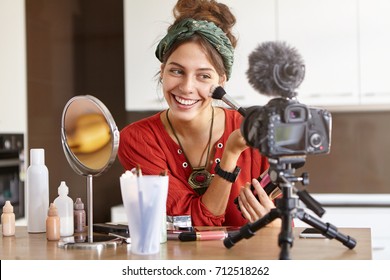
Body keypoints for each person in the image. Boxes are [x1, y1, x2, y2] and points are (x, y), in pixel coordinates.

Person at [118, 0, 280, 227]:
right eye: (176, 71)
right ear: (162, 71)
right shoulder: (138, 140)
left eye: (203, 76)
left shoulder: (254, 132)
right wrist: (230, 154)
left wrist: (271, 221)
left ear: (221, 81)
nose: (186, 87)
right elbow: (193, 224)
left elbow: (285, 226)